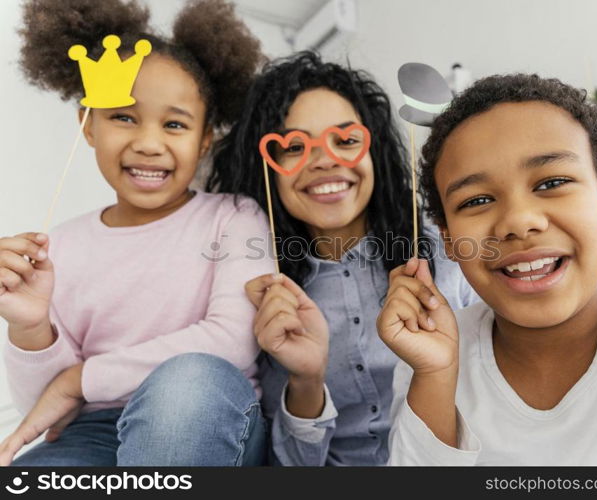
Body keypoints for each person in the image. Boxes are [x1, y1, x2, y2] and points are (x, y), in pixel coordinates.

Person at [0, 0, 273, 466]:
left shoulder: (233, 216)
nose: (148, 143)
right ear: (88, 125)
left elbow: (235, 339)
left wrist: (79, 379)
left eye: (174, 124)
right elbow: (48, 410)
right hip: (93, 432)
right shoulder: (59, 245)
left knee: (184, 384)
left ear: (205, 138)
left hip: (210, 417)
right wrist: (29, 327)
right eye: (123, 117)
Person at [378, 73, 597, 465]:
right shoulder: (429, 357)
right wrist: (436, 375)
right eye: (476, 200)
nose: (518, 221)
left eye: (552, 182)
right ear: (449, 240)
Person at [207, 51, 478, 466]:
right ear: (268, 167)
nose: (325, 159)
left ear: (377, 153)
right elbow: (293, 465)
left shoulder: (447, 252)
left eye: (347, 140)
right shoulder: (266, 289)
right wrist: (306, 380)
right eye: (294, 146)